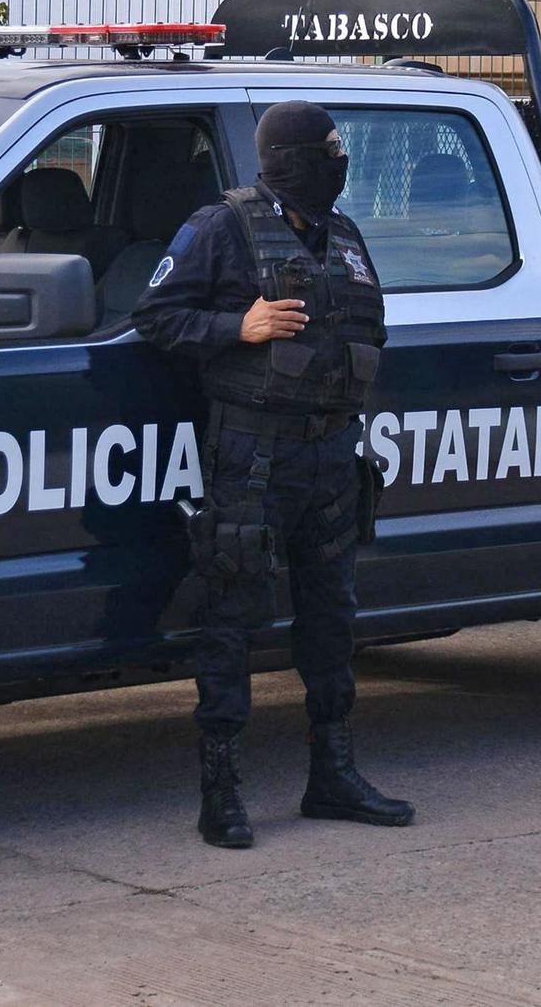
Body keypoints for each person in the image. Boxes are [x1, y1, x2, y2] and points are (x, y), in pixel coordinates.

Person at [131, 100, 415, 849]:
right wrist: (238, 328)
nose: (338, 161)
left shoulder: (344, 236)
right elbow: (156, 318)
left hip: (331, 458)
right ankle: (220, 793)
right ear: (286, 158)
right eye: (326, 150)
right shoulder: (219, 227)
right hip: (252, 458)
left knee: (332, 621)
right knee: (230, 620)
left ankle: (334, 775)